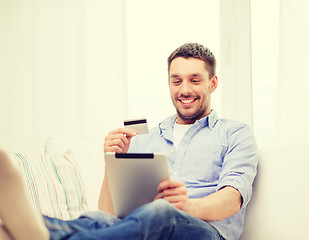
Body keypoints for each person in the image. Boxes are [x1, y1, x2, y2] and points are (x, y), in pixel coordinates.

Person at [0, 43, 257, 240]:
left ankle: (44, 233)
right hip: (144, 230)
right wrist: (112, 163)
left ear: (213, 83)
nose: (185, 90)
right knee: (97, 217)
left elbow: (232, 199)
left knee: (162, 212)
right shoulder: (145, 138)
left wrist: (187, 206)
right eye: (176, 81)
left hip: (206, 232)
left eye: (195, 80)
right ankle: (28, 228)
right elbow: (110, 213)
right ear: (168, 83)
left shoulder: (235, 133)